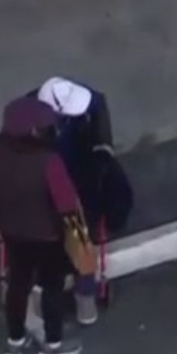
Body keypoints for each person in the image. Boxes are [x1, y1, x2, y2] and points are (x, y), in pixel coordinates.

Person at [0, 96, 84, 354]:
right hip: (47, 234)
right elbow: (66, 203)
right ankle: (52, 343)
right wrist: (79, 239)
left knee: (18, 282)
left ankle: (14, 341)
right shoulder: (48, 160)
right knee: (52, 286)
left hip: (11, 228)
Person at [35, 76, 130, 326]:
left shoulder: (86, 100)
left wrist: (102, 152)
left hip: (77, 178)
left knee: (78, 231)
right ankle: (78, 291)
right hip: (47, 184)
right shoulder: (29, 122)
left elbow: (99, 119)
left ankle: (82, 292)